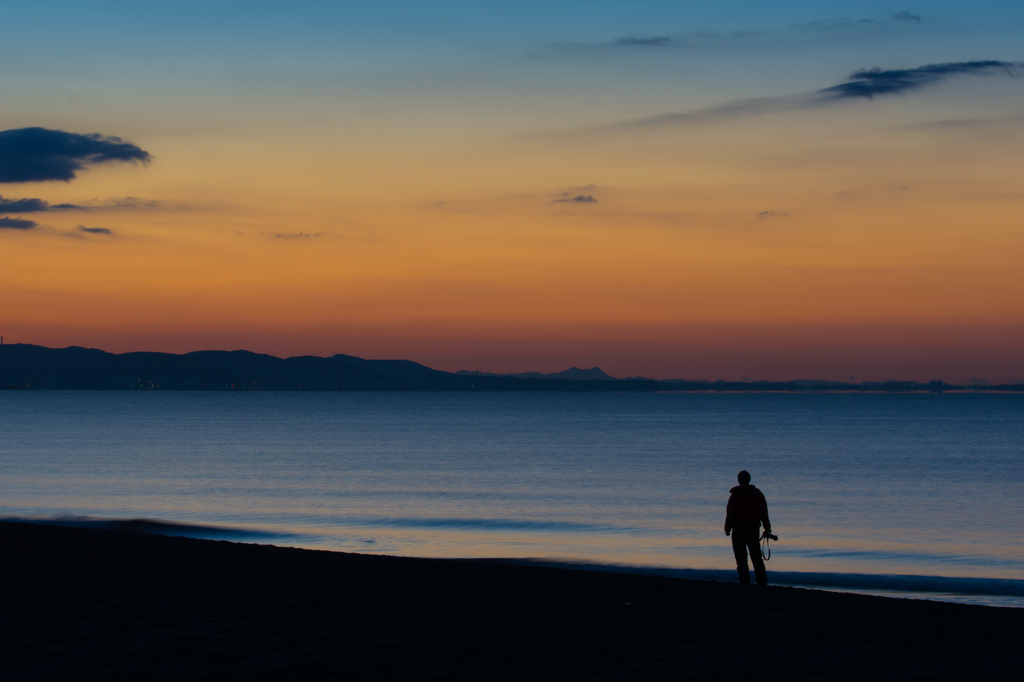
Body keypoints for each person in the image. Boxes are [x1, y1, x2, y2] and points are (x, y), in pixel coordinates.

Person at [724, 470, 772, 586]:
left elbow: (730, 514)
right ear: (749, 480)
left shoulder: (734, 496)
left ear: (739, 480)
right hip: (753, 530)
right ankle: (762, 582)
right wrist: (767, 527)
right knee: (756, 558)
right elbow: (763, 512)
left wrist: (727, 528)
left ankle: (745, 583)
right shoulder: (757, 494)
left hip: (738, 531)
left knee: (741, 559)